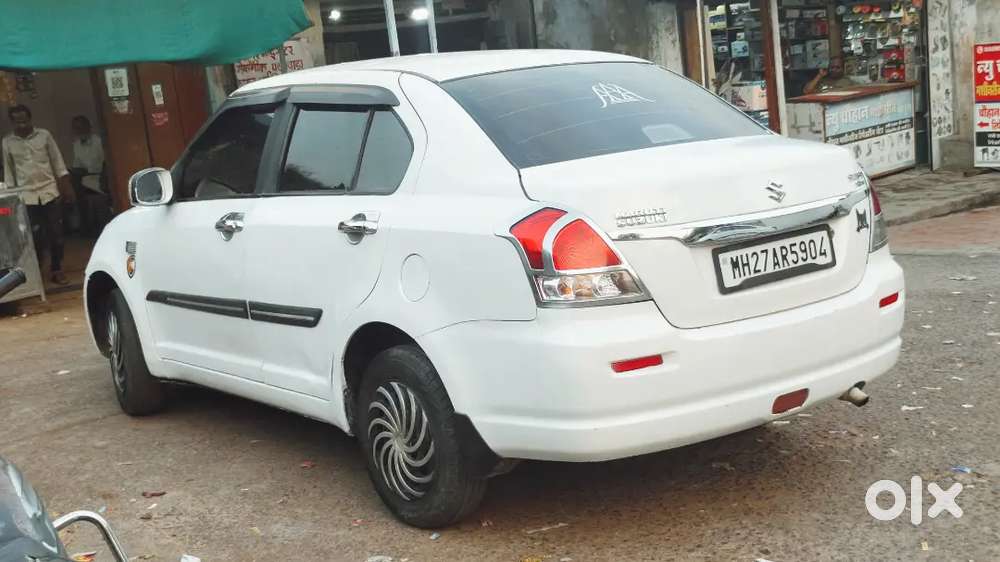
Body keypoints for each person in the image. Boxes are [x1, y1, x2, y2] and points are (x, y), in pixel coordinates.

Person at [1, 105, 75, 285]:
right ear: (12, 122)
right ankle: (39, 273)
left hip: (49, 192)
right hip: (26, 197)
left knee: (56, 234)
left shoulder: (44, 135)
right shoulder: (7, 142)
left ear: (30, 118)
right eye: (18, 121)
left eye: (25, 120)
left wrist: (67, 189)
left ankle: (56, 269)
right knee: (33, 239)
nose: (22, 124)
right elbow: (9, 173)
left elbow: (58, 162)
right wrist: (10, 199)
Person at [70, 115, 105, 235]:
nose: (80, 131)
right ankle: (84, 227)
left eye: (82, 127)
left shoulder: (99, 142)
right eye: (76, 128)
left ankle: (88, 227)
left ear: (89, 127)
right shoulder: (76, 144)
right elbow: (77, 165)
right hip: (85, 181)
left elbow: (102, 165)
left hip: (99, 179)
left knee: (78, 188)